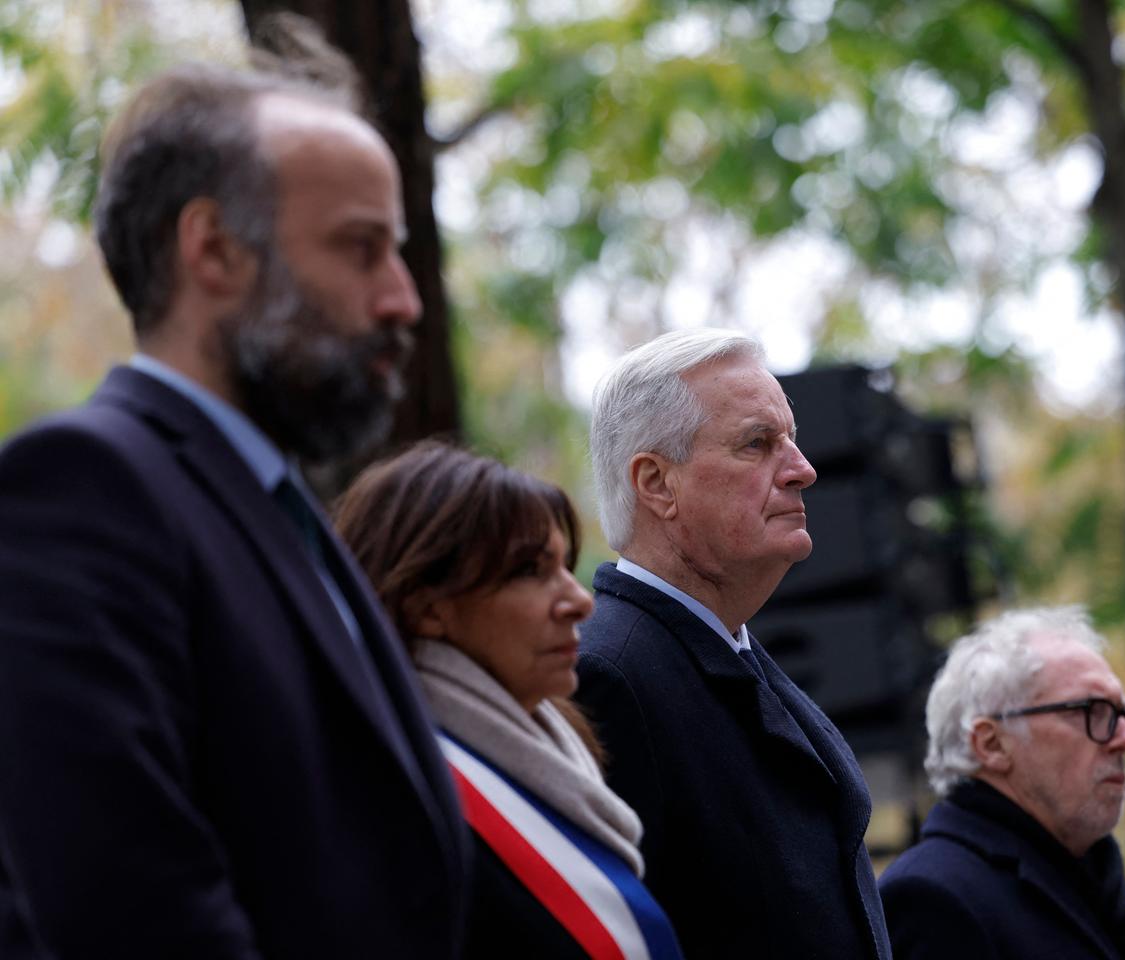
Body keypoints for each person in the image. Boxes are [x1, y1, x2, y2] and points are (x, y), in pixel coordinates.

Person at [0, 32, 470, 960]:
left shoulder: (277, 508)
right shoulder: (79, 495)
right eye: (361, 248)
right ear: (213, 249)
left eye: (400, 253)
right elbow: (132, 919)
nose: (403, 301)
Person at [574, 328, 890, 959]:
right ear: (658, 485)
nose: (803, 470)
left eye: (792, 439)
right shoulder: (609, 676)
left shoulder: (726, 647)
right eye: (757, 444)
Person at [334, 440, 684, 960]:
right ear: (427, 607)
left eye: (566, 566)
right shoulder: (404, 806)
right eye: (529, 571)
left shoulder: (541, 750)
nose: (579, 599)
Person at [879, 606, 1125, 960]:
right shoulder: (933, 897)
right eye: (1092, 711)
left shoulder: (1096, 883)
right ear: (991, 744)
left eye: (1124, 715)